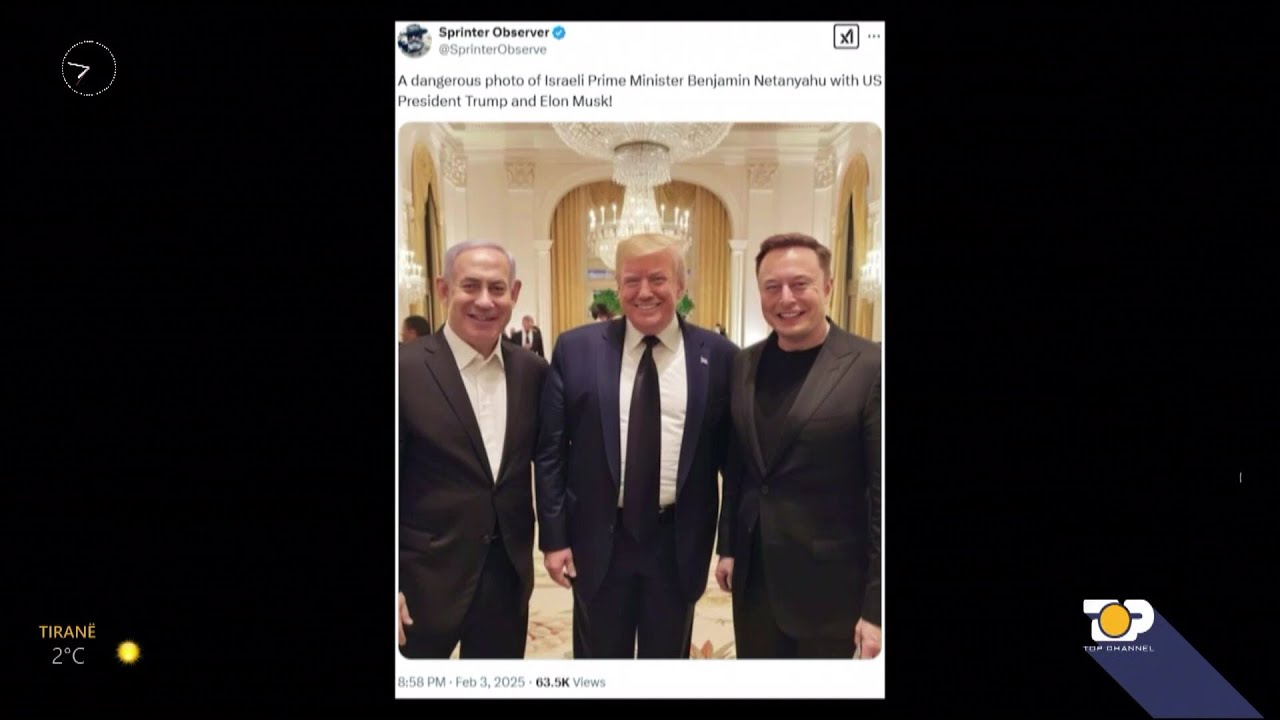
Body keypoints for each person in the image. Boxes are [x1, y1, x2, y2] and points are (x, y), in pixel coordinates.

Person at [536, 233, 737, 658]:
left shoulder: (720, 356)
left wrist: (730, 544)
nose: (644, 292)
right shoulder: (576, 349)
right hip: (597, 540)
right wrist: (553, 538)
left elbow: (734, 464)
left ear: (680, 285)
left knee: (665, 666)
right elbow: (552, 453)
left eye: (658, 279)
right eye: (631, 280)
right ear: (618, 286)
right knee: (599, 665)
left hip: (678, 542)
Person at [714, 232, 882, 659]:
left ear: (827, 286)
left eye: (799, 284)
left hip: (832, 588)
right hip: (755, 581)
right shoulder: (744, 363)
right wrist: (728, 546)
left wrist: (876, 606)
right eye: (772, 287)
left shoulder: (870, 366)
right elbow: (738, 466)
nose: (786, 298)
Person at [398, 239, 548, 659]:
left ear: (514, 293)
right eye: (470, 286)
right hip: (421, 578)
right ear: (443, 289)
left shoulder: (533, 371)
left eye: (497, 288)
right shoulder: (404, 369)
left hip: (506, 577)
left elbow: (550, 462)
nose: (485, 301)